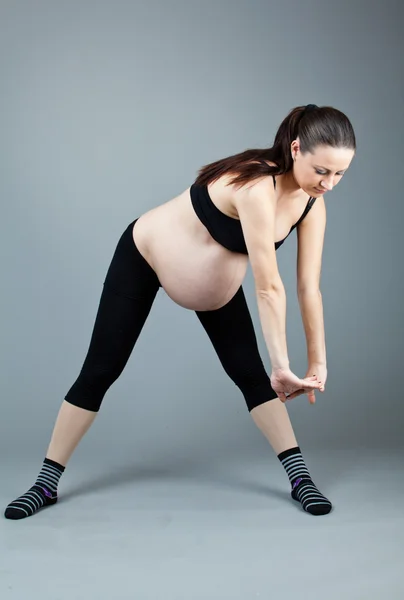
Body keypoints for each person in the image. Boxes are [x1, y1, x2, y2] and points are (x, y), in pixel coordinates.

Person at [4, 103, 356, 520]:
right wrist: (282, 363)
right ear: (296, 149)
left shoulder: (313, 204)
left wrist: (318, 363)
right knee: (100, 370)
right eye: (322, 171)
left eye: (339, 174)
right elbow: (269, 285)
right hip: (144, 257)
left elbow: (307, 288)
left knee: (250, 376)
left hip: (213, 288)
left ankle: (301, 479)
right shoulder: (256, 186)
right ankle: (45, 483)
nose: (329, 183)